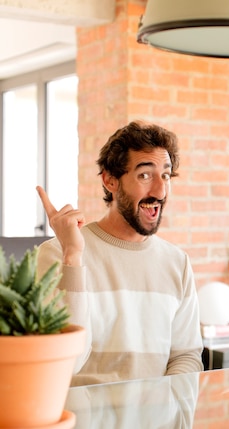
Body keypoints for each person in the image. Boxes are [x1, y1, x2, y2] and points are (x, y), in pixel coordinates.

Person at [36, 120, 204, 387]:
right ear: (110, 180)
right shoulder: (58, 253)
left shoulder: (177, 262)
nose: (160, 191)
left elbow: (186, 355)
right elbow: (67, 364)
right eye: (145, 175)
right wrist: (73, 258)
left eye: (166, 175)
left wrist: (167, 411)